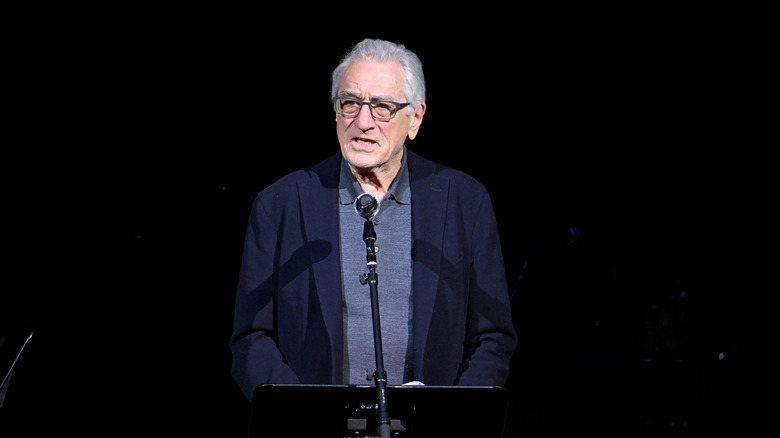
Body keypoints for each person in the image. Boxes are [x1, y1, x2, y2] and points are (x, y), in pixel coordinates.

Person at [230, 38, 517, 401]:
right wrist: (302, 414)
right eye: (350, 104)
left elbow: (492, 337)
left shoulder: (464, 201)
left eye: (382, 107)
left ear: (415, 118)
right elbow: (251, 338)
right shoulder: (280, 204)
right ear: (335, 112)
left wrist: (452, 415)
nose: (363, 122)